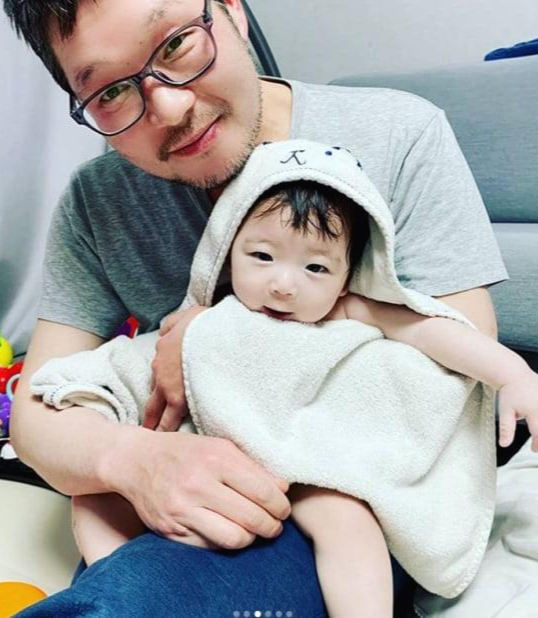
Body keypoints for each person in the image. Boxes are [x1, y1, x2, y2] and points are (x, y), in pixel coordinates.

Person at [4, 0, 508, 615]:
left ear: (232, 11)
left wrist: (214, 338)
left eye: (176, 45)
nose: (170, 108)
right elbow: (37, 415)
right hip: (181, 490)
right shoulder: (96, 200)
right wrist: (137, 461)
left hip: (352, 485)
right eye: (110, 92)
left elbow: (456, 373)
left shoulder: (397, 133)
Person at [53, 159, 537, 618]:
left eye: (316, 268)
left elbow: (427, 330)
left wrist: (513, 375)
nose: (284, 284)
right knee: (96, 490)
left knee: (347, 517)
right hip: (206, 462)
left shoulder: (346, 308)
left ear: (347, 277)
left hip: (306, 469)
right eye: (262, 257)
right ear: (227, 254)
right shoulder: (204, 321)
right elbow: (131, 368)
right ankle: (109, 571)